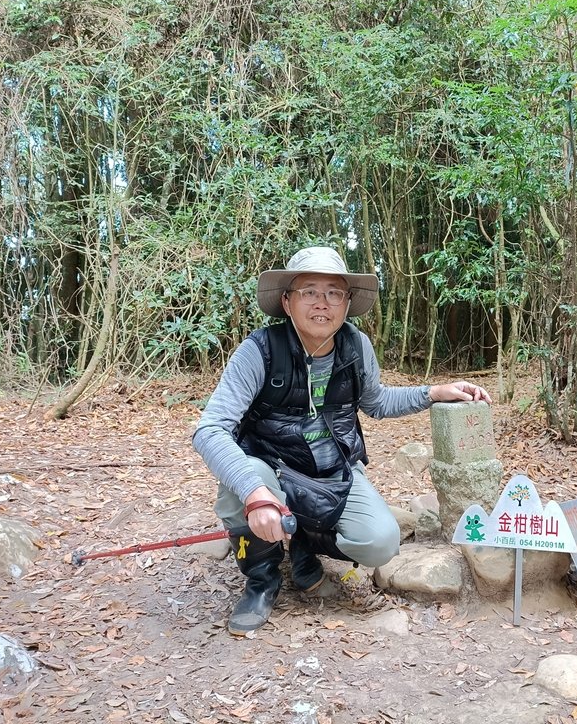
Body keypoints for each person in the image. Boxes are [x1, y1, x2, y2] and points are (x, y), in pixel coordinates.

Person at [192, 246, 492, 635]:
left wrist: (433, 391)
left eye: (334, 293)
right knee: (243, 483)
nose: (323, 303)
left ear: (347, 302)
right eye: (310, 291)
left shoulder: (355, 346)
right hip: (270, 464)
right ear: (287, 301)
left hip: (333, 468)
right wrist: (255, 493)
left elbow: (377, 402)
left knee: (381, 542)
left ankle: (300, 541)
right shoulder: (260, 350)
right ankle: (262, 580)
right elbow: (210, 429)